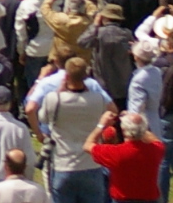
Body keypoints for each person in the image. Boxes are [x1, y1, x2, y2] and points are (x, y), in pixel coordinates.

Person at [41, 60, 118, 203]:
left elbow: (43, 119)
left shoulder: (54, 99)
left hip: (63, 164)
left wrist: (59, 91)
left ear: (66, 76)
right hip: (91, 165)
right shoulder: (98, 99)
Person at [88, 111, 166, 203]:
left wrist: (101, 124)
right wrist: (138, 126)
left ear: (123, 130)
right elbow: (154, 139)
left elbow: (88, 145)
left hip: (122, 200)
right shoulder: (156, 149)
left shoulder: (116, 152)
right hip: (150, 199)